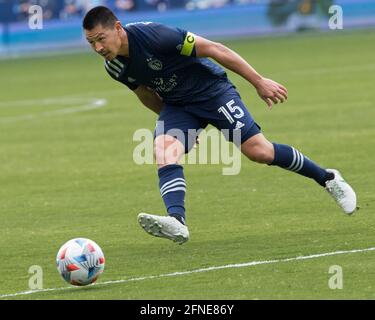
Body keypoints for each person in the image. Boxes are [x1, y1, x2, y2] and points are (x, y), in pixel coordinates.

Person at [82, 6, 356, 245]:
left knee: (260, 152)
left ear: (118, 28)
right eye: (91, 42)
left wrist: (259, 82)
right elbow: (144, 93)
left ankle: (329, 179)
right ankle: (177, 221)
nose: (98, 48)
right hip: (178, 106)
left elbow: (215, 49)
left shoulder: (157, 35)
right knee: (164, 149)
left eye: (101, 39)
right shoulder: (114, 66)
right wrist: (179, 129)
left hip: (212, 93)